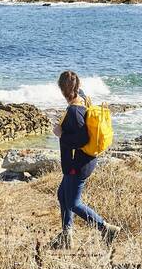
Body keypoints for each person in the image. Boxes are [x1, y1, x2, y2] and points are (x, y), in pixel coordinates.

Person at [48, 70, 121, 250]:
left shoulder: (74, 110)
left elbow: (82, 139)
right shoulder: (82, 97)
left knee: (73, 203)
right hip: (81, 161)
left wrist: (61, 134)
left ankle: (106, 228)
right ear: (77, 86)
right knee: (62, 195)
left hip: (78, 164)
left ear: (62, 90)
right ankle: (67, 235)